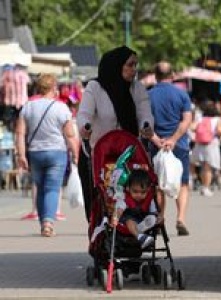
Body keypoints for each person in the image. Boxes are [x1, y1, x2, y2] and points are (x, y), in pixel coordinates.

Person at [76, 46, 158, 222]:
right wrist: (85, 126)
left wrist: (146, 126)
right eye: (130, 65)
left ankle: (133, 229)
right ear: (117, 65)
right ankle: (100, 233)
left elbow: (145, 113)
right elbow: (84, 114)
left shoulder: (137, 89)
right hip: (98, 154)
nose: (134, 70)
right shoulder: (95, 87)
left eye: (136, 65)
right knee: (99, 198)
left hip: (128, 155)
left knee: (134, 194)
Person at [15, 73, 79, 237]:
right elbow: (70, 135)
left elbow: (20, 133)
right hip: (57, 153)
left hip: (35, 153)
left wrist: (21, 155)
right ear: (53, 88)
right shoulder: (61, 107)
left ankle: (43, 221)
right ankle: (48, 223)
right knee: (52, 188)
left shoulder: (28, 107)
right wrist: (76, 154)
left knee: (40, 188)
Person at [148, 61, 192, 236]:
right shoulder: (182, 95)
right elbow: (186, 120)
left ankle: (159, 218)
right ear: (172, 75)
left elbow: (143, 124)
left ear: (155, 76)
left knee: (158, 185)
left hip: (155, 146)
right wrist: (173, 139)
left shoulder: (148, 95)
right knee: (182, 183)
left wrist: (156, 140)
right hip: (179, 145)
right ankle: (180, 218)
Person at [111, 169, 159, 249]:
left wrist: (159, 217)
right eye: (135, 192)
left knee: (153, 219)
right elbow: (119, 209)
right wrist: (115, 217)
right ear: (128, 188)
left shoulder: (150, 199)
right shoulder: (125, 198)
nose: (139, 195)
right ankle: (139, 236)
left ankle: (139, 230)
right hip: (127, 220)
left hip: (142, 220)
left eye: (143, 192)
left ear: (148, 190)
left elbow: (154, 212)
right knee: (130, 221)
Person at [191, 100, 221, 197]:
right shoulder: (217, 119)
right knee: (207, 167)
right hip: (211, 144)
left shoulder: (200, 119)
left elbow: (192, 127)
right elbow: (219, 131)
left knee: (197, 164)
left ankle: (195, 179)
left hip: (199, 144)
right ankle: (206, 187)